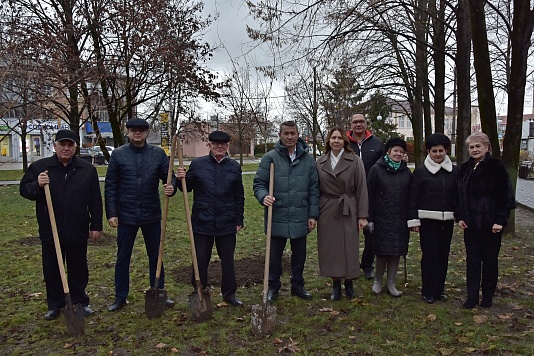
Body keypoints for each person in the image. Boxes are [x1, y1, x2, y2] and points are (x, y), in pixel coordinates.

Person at [20, 129, 103, 320]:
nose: (66, 148)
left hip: (77, 228)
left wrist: (96, 225)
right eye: (62, 145)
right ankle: (55, 305)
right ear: (55, 146)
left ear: (75, 147)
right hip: (51, 228)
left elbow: (95, 200)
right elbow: (24, 190)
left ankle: (80, 302)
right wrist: (37, 185)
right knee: (52, 269)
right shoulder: (41, 167)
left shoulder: (86, 170)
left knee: (78, 268)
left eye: (70, 145)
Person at [105, 118, 177, 312]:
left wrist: (173, 186)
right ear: (128, 132)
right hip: (126, 214)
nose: (138, 133)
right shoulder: (119, 155)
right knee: (123, 257)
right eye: (134, 130)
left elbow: (169, 177)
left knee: (156, 255)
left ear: (146, 133)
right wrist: (111, 212)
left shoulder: (157, 154)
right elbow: (110, 185)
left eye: (142, 130)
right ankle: (120, 297)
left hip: (151, 213)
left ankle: (158, 290)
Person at [175, 131, 245, 307]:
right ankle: (199, 289)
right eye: (215, 144)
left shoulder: (234, 167)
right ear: (210, 145)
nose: (219, 147)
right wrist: (180, 179)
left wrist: (239, 218)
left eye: (223, 144)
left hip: (227, 221)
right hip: (202, 221)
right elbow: (187, 188)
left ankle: (229, 294)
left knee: (228, 260)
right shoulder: (198, 164)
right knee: (200, 259)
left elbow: (239, 195)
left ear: (227, 146)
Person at [253, 120, 320, 301]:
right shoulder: (270, 158)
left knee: (300, 255)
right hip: (277, 214)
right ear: (280, 135)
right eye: (286, 134)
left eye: (293, 133)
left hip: (300, 214)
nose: (289, 137)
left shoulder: (307, 159)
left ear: (298, 135)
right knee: (274, 255)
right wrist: (263, 196)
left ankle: (297, 285)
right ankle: (273, 287)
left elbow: (314, 189)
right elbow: (259, 183)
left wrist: (313, 215)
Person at [456, 132, 515, 309]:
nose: (474, 150)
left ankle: (487, 295)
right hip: (470, 224)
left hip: (491, 225)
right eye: (471, 147)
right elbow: (458, 195)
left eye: (477, 146)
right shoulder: (464, 168)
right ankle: (472, 296)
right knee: (472, 260)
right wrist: (459, 216)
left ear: (487, 147)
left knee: (490, 260)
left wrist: (500, 220)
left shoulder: (497, 166)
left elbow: (505, 195)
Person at [316, 127, 368, 300]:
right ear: (328, 141)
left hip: (349, 208)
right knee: (331, 248)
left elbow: (362, 189)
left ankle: (349, 282)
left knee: (349, 246)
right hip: (328, 209)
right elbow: (315, 189)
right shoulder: (320, 162)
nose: (336, 141)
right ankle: (336, 284)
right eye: (333, 138)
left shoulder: (354, 161)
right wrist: (314, 213)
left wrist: (362, 215)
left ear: (345, 141)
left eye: (339, 138)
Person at [408, 133, 458, 304]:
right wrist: (413, 220)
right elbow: (413, 197)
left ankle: (440, 289)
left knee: (443, 255)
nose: (438, 154)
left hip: (447, 220)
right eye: (434, 151)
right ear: (428, 151)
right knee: (429, 255)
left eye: (441, 151)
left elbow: (458, 195)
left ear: (447, 151)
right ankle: (428, 290)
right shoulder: (421, 172)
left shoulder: (454, 171)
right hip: (428, 220)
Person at [367, 137, 411, 297]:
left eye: (401, 151)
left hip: (400, 217)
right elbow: (369, 194)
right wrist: (369, 218)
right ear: (388, 151)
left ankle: (391, 283)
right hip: (381, 217)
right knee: (382, 251)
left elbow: (410, 196)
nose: (398, 154)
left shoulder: (406, 171)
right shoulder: (376, 169)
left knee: (396, 251)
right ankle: (378, 281)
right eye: (395, 151)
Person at [347, 113, 384, 280]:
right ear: (351, 124)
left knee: (371, 233)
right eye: (355, 122)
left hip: (372, 195)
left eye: (361, 121)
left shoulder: (377, 143)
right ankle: (350, 263)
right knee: (349, 233)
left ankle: (367, 265)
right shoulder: (345, 143)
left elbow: (385, 163)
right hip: (349, 195)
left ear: (366, 123)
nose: (358, 124)